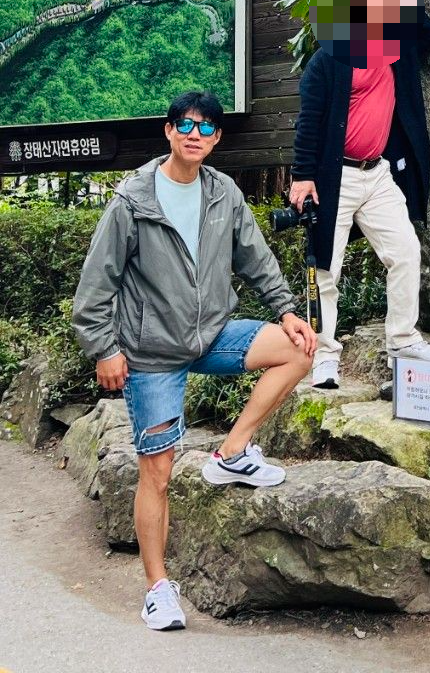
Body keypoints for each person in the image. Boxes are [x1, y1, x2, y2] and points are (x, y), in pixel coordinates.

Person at [72, 91, 316, 632]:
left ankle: (231, 452)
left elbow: (256, 258)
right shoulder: (133, 200)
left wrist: (286, 310)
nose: (194, 134)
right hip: (153, 353)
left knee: (298, 349)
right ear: (168, 131)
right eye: (184, 124)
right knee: (156, 472)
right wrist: (105, 348)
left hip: (210, 335)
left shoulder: (223, 192)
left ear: (216, 138)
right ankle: (157, 589)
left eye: (206, 127)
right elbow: (95, 287)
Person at [289, 0, 430, 389]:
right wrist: (302, 176)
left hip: (377, 174)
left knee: (405, 251)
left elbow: (429, 31)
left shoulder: (397, 49)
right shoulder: (327, 60)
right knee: (327, 270)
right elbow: (308, 122)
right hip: (333, 178)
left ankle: (403, 342)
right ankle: (324, 357)